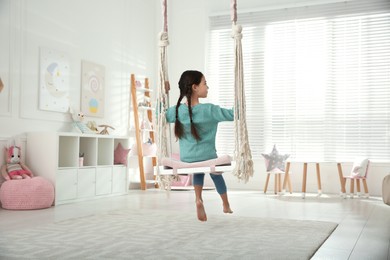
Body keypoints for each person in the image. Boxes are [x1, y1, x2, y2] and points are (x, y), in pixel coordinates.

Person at [165, 70, 234, 221]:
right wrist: (240, 97)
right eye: (205, 84)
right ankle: (226, 204)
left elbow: (159, 116)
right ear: (195, 87)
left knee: (198, 169)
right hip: (207, 157)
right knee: (215, 173)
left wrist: (163, 94)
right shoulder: (210, 110)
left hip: (187, 159)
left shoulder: (176, 111)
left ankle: (198, 199)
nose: (207, 87)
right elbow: (234, 114)